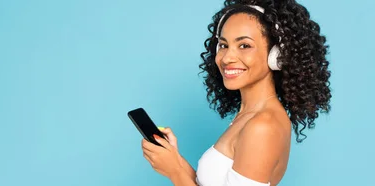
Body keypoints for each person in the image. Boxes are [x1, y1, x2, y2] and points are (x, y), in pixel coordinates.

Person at [141, 0, 332, 185]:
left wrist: (174, 171)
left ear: (277, 56)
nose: (227, 58)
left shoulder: (263, 125)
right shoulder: (249, 115)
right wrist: (176, 161)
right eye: (223, 45)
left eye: (244, 45)